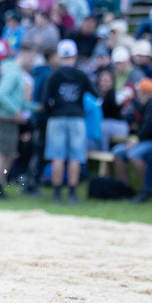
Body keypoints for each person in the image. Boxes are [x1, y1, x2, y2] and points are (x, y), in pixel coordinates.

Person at [40, 39, 95, 205]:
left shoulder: (53, 75)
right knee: (75, 158)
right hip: (77, 119)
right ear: (75, 55)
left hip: (57, 118)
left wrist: (53, 111)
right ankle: (72, 194)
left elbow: (44, 102)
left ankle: (57, 195)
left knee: (57, 157)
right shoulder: (81, 75)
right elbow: (95, 94)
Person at [0, 44, 37, 198]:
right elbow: (0, 94)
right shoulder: (14, 72)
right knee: (1, 153)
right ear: (25, 54)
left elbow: (18, 99)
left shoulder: (13, 70)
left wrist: (37, 108)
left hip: (8, 118)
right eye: (32, 58)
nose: (33, 62)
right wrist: (15, 111)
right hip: (6, 118)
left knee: (7, 153)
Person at [112, 78, 152, 189]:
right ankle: (125, 187)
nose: (138, 93)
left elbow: (149, 127)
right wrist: (132, 99)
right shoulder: (147, 104)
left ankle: (146, 188)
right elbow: (140, 110)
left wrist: (135, 140)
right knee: (117, 152)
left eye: (139, 90)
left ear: (145, 92)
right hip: (143, 141)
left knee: (134, 154)